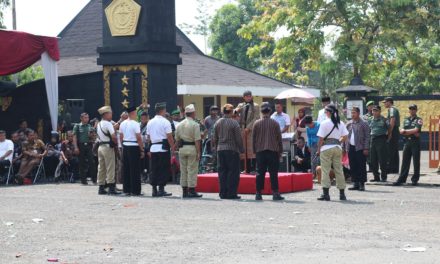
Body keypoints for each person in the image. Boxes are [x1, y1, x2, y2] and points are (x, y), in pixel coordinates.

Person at [252, 102, 284, 201]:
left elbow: (253, 139)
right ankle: (275, 193)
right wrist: (280, 151)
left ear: (261, 112)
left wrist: (254, 151)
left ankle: (258, 193)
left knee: (260, 173)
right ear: (270, 112)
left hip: (260, 151)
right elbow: (279, 139)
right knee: (273, 173)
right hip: (273, 151)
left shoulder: (256, 123)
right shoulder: (275, 123)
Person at [316, 104, 348, 201]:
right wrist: (338, 141)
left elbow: (321, 139)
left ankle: (326, 194)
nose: (325, 113)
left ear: (329, 112)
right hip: (337, 147)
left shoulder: (324, 123)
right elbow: (345, 136)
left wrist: (318, 150)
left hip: (326, 148)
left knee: (325, 170)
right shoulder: (341, 123)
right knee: (339, 170)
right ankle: (342, 194)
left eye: (326, 112)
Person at [213, 104, 245, 199]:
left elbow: (214, 138)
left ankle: (223, 193)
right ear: (231, 112)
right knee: (233, 172)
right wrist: (241, 149)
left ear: (223, 112)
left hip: (220, 150)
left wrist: (216, 147)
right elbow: (238, 138)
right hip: (232, 150)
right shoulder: (234, 123)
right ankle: (231, 193)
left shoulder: (217, 122)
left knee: (222, 172)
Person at [146, 102, 175, 197]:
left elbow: (148, 138)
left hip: (153, 148)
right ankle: (161, 189)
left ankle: (154, 189)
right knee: (163, 169)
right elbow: (169, 137)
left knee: (154, 169)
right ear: (163, 110)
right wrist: (173, 148)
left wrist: (149, 149)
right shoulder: (165, 122)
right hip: (163, 148)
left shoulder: (150, 122)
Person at [175, 104, 203, 198]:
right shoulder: (195, 125)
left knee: (183, 170)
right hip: (192, 148)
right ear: (193, 113)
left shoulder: (179, 124)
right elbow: (197, 140)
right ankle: (191, 190)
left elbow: (177, 139)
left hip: (182, 149)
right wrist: (199, 152)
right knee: (192, 170)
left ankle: (184, 191)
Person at [393, 104, 423, 186]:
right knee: (405, 161)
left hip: (415, 142)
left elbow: (416, 129)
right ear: (409, 110)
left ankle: (415, 179)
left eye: (413, 109)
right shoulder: (406, 119)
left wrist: (406, 132)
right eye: (410, 109)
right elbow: (401, 129)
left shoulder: (419, 119)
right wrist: (410, 132)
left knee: (416, 162)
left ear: (416, 110)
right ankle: (402, 179)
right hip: (407, 142)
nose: (412, 110)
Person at [119, 106, 144, 196]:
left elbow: (121, 137)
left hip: (125, 146)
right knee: (135, 170)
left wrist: (123, 145)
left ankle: (126, 189)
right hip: (134, 146)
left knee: (126, 169)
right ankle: (135, 190)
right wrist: (142, 149)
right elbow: (139, 138)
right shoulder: (135, 123)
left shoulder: (122, 123)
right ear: (133, 113)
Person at [345, 107, 370, 191]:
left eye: (354, 113)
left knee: (361, 166)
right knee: (353, 165)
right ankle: (355, 183)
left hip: (360, 148)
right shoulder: (349, 123)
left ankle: (362, 184)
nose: (352, 114)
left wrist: (366, 148)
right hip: (350, 147)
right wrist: (344, 147)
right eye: (351, 113)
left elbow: (367, 137)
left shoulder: (364, 123)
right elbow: (345, 136)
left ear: (358, 113)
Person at [96, 106, 119, 195]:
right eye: (110, 113)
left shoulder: (99, 124)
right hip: (108, 147)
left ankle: (101, 187)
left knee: (101, 168)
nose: (111, 115)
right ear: (105, 114)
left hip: (100, 147)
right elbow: (113, 136)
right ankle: (111, 188)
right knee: (110, 167)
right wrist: (116, 144)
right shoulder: (108, 124)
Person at [236, 90, 260, 173]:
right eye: (247, 96)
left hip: (252, 129)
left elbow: (256, 118)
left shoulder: (255, 106)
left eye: (250, 96)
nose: (249, 98)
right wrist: (237, 110)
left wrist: (249, 127)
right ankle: (245, 168)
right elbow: (234, 114)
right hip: (242, 128)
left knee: (251, 149)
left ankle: (253, 168)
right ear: (244, 97)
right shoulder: (241, 105)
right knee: (243, 149)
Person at [73, 113, 96, 185]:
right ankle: (83, 180)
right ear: (81, 118)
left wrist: (92, 135)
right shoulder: (77, 126)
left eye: (88, 117)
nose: (87, 119)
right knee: (81, 163)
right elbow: (74, 137)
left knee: (92, 162)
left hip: (89, 145)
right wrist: (76, 147)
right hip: (81, 145)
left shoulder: (89, 126)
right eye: (85, 117)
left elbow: (93, 137)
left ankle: (94, 179)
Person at [369, 105, 389, 182]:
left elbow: (389, 128)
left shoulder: (384, 120)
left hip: (381, 139)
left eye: (376, 110)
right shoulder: (370, 119)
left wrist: (388, 138)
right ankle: (376, 177)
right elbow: (369, 128)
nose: (374, 112)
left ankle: (384, 177)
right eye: (373, 110)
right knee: (373, 159)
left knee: (382, 159)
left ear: (380, 111)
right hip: (373, 139)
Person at [383, 97, 400, 174]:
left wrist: (389, 132)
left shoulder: (392, 109)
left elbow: (392, 121)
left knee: (390, 150)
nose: (384, 104)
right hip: (395, 130)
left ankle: (390, 169)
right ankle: (395, 169)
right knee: (394, 150)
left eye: (385, 102)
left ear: (389, 102)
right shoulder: (393, 109)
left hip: (393, 130)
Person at [140, 111, 150, 182]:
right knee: (141, 163)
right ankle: (143, 176)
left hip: (148, 147)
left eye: (145, 118)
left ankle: (149, 176)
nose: (143, 120)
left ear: (147, 118)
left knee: (148, 163)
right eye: (142, 118)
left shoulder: (149, 125)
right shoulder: (138, 125)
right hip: (141, 147)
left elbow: (148, 138)